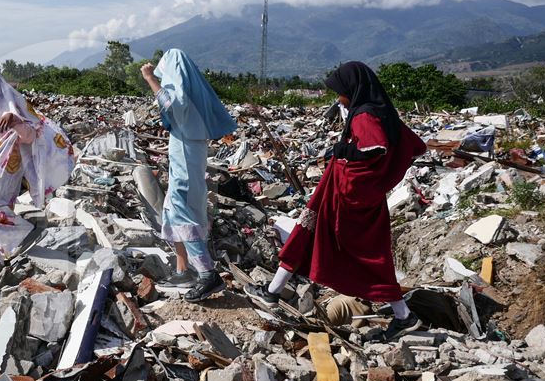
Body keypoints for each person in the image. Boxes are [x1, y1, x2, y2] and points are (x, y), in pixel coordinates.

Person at [246, 61, 428, 340]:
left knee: (332, 243)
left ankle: (403, 315)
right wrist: (377, 178)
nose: (338, 98)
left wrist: (344, 152)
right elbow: (413, 147)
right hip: (365, 197)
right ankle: (272, 291)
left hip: (344, 197)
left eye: (340, 92)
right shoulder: (383, 112)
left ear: (352, 89)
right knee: (321, 238)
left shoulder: (363, 116)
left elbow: (374, 147)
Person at [140, 49, 238, 303]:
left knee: (182, 211)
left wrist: (151, 78)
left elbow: (170, 103)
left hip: (185, 154)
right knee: (175, 211)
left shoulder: (182, 100)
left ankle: (206, 273)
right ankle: (183, 269)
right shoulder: (192, 102)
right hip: (188, 152)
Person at [0, 64, 74, 269]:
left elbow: (33, 134)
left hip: (7, 168)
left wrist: (15, 122)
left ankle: (26, 233)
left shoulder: (14, 104)